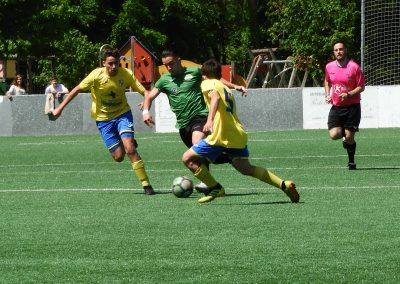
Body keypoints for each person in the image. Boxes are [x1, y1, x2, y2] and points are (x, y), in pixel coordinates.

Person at [181, 59, 299, 204]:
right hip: (237, 133)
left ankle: (215, 187)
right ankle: (284, 185)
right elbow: (219, 88)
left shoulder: (206, 83)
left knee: (187, 158)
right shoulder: (224, 86)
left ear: (204, 76)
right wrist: (237, 86)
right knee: (245, 168)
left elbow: (215, 97)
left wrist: (209, 119)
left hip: (221, 135)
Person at [51, 48, 156, 195]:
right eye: (110, 64)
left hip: (122, 115)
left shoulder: (126, 74)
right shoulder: (95, 75)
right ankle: (126, 140)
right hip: (103, 120)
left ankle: (147, 185)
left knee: (130, 149)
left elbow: (146, 93)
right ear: (103, 63)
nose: (114, 67)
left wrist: (146, 107)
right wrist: (60, 109)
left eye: (117, 63)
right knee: (119, 157)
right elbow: (76, 90)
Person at [142, 48, 247, 194]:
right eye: (166, 65)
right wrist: (146, 111)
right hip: (183, 124)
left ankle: (208, 183)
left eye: (171, 63)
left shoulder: (195, 72)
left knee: (197, 144)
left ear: (179, 59)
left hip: (199, 116)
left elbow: (215, 79)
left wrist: (235, 86)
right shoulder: (164, 80)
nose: (169, 67)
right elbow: (149, 96)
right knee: (200, 156)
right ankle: (228, 157)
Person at [324, 39, 365, 170]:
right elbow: (327, 81)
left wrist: (349, 94)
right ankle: (344, 138)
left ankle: (351, 161)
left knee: (349, 136)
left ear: (345, 50)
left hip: (352, 106)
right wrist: (327, 94)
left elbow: (361, 87)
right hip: (336, 107)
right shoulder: (329, 67)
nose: (339, 52)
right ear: (333, 52)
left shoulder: (354, 67)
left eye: (341, 49)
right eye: (336, 50)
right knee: (334, 134)